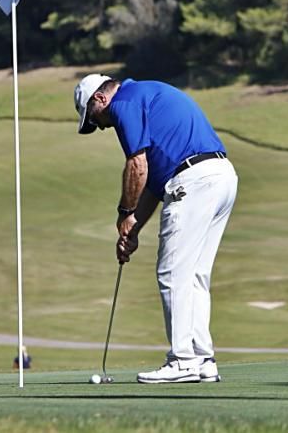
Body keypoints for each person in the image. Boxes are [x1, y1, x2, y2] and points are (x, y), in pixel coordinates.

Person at [74, 73, 238, 384]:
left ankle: (182, 360)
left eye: (95, 120)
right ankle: (203, 359)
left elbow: (137, 165)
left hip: (193, 180)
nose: (101, 126)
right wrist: (133, 229)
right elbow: (153, 186)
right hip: (220, 176)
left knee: (172, 272)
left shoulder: (123, 105)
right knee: (195, 275)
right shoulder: (144, 94)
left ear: (100, 99)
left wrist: (124, 212)